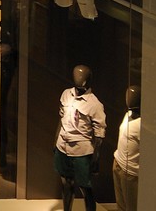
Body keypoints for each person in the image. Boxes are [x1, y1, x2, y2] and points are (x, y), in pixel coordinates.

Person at [55, 64, 106, 211]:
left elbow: (99, 134)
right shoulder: (66, 94)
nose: (79, 78)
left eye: (82, 76)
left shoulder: (94, 104)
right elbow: (61, 118)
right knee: (65, 183)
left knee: (85, 186)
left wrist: (95, 158)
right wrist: (55, 143)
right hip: (62, 146)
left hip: (81, 151)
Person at [114, 84, 139, 211]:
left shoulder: (143, 125)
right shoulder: (128, 113)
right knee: (120, 204)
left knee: (131, 207)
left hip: (131, 171)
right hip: (118, 163)